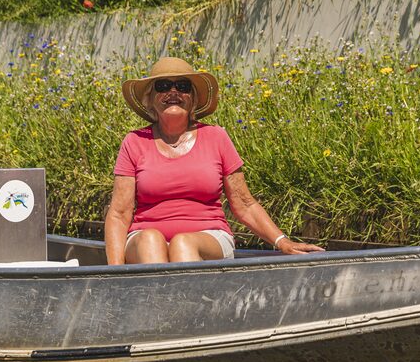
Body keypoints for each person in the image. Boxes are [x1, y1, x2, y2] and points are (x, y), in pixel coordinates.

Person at [105, 57, 323, 264]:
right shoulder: (134, 141)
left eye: (182, 86)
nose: (173, 92)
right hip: (144, 239)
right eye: (163, 86)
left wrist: (282, 242)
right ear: (151, 99)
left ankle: (181, 300)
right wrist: (114, 273)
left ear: (193, 98)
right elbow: (119, 213)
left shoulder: (216, 137)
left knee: (183, 242)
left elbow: (244, 204)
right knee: (150, 239)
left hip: (208, 236)